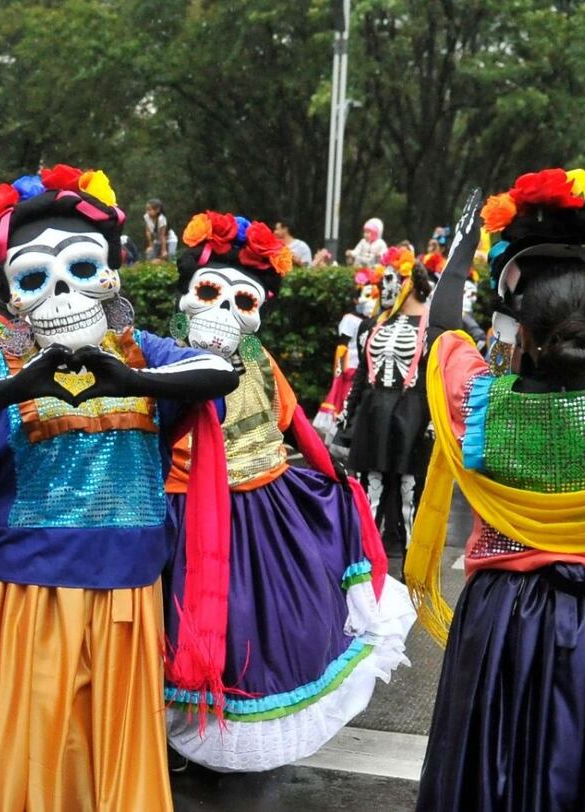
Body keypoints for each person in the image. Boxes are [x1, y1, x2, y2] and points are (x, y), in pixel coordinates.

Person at [0, 164, 238, 810]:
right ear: (13, 295)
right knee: (26, 753)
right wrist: (18, 386)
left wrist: (129, 380)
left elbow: (217, 374)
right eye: (34, 278)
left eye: (82, 268)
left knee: (107, 762)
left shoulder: (145, 353)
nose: (62, 292)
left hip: (126, 601)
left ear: (111, 273)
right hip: (24, 600)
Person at [410, 168, 585, 810]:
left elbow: (442, 332)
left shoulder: (476, 400)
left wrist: (464, 251)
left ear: (519, 329)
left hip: (504, 623)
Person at [163, 211, 413, 773]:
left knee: (261, 626)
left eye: (243, 301)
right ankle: (179, 735)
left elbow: (296, 421)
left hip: (262, 507)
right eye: (210, 291)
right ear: (188, 294)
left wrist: (333, 473)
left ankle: (221, 738)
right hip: (184, 511)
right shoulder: (162, 356)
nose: (225, 310)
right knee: (184, 626)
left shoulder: (258, 359)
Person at [338, 245, 437, 567]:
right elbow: (362, 374)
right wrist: (348, 411)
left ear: (409, 282)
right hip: (374, 412)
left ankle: (412, 568)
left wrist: (434, 420)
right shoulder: (373, 325)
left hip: (414, 414)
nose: (385, 286)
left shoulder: (433, 327)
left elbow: (437, 377)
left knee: (410, 494)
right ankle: (364, 564)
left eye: (392, 279)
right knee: (371, 492)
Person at [315, 267, 380, 434]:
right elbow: (342, 345)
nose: (371, 301)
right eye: (367, 295)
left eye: (374, 296)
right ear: (356, 299)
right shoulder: (350, 319)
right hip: (349, 368)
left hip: (365, 370)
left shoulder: (377, 321)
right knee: (344, 401)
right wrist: (339, 370)